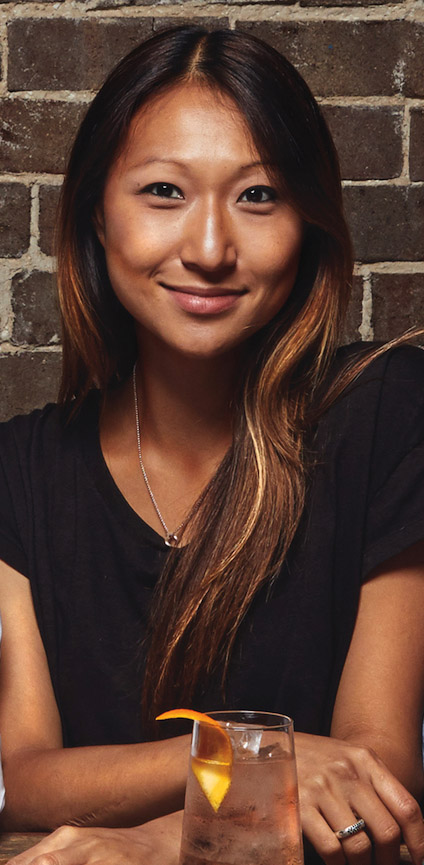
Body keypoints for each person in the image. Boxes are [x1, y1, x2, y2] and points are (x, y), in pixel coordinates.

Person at [0, 24, 423, 865]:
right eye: (163, 191)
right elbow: (24, 775)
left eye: (258, 196)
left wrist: (159, 840)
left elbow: (375, 775)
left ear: (307, 223)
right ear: (96, 214)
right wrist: (244, 752)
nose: (208, 250)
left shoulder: (386, 411)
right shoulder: (20, 469)